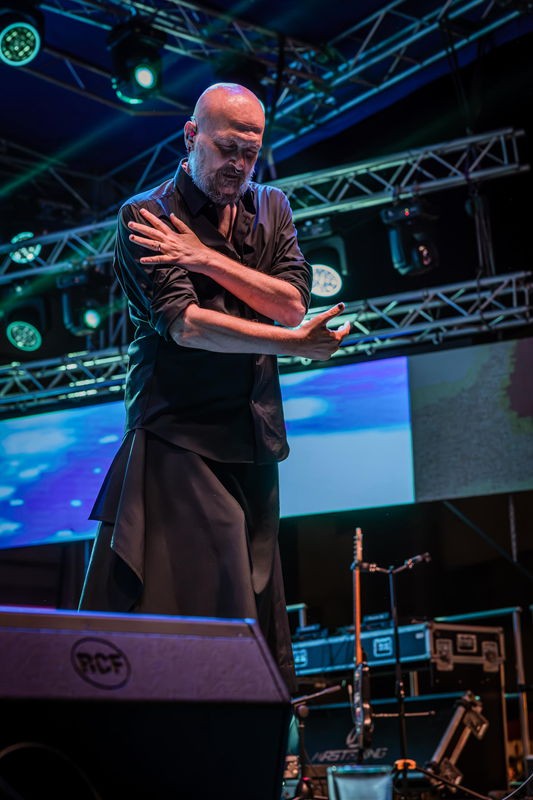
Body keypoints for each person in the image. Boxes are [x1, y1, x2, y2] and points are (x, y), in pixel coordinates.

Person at [78, 82, 350, 693]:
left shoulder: (272, 206)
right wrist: (295, 344)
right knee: (205, 590)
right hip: (177, 433)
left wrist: (204, 259)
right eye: (227, 148)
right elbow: (187, 326)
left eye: (250, 153)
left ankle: (248, 724)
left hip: (252, 433)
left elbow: (290, 303)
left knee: (255, 594)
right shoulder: (147, 215)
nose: (239, 164)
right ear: (191, 136)